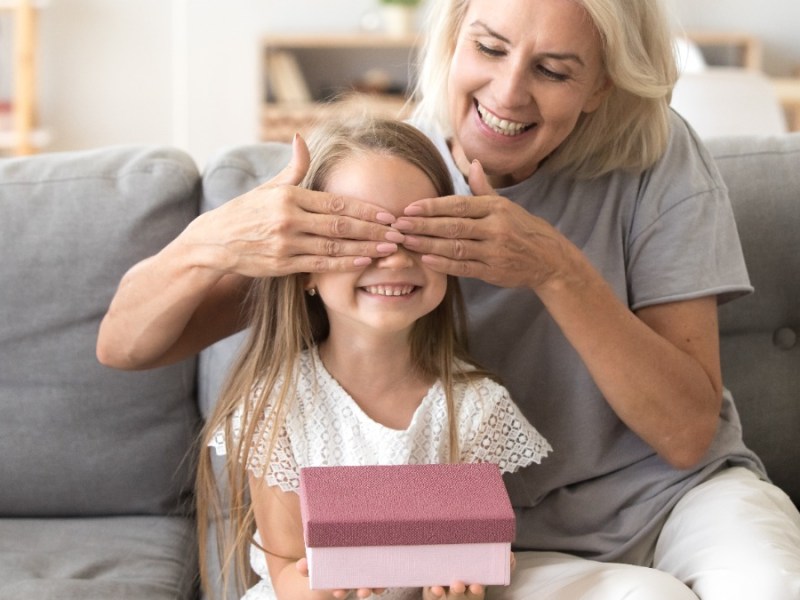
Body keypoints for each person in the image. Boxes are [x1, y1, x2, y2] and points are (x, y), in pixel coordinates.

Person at [97, 0, 800, 598]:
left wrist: (557, 270)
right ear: (454, 34)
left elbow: (685, 435)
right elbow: (124, 345)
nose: (507, 93)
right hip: (489, 537)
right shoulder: (395, 172)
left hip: (673, 500)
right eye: (488, 47)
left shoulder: (658, 157)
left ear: (603, 86)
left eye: (553, 69)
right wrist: (213, 240)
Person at [197, 117, 552, 600]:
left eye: (418, 234)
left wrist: (465, 588)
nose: (394, 257)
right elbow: (285, 567)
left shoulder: (474, 407)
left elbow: (471, 556)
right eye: (360, 236)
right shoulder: (277, 404)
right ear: (305, 268)